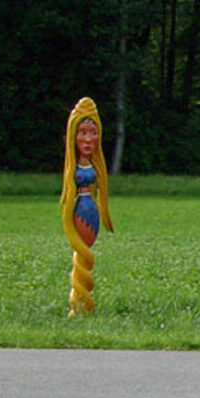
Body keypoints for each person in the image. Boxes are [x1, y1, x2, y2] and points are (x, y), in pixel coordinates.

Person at [58, 97, 112, 314]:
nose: (88, 139)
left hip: (91, 214)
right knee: (81, 254)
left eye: (93, 132)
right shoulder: (72, 170)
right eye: (83, 133)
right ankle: (79, 303)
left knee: (85, 253)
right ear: (73, 136)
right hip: (79, 213)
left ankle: (83, 303)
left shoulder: (98, 168)